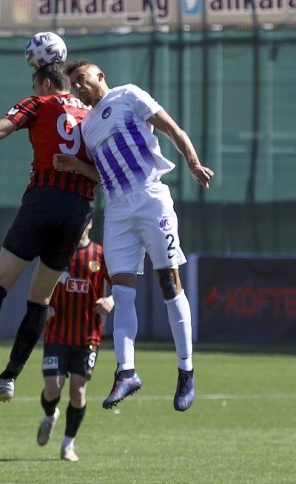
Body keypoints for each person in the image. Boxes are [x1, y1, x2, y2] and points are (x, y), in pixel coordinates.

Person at [0, 62, 99, 406]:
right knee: (40, 300)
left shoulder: (37, 103)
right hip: (78, 210)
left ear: (43, 82)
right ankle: (9, 378)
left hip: (43, 200)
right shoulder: (92, 114)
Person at [58, 60, 214, 412]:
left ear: (101, 76)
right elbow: (102, 172)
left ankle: (186, 370)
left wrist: (191, 161)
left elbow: (172, 129)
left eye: (82, 80)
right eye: (73, 85)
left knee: (169, 284)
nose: (79, 88)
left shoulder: (128, 95)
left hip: (150, 198)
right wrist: (74, 166)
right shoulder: (86, 126)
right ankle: (126, 372)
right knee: (121, 291)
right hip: (116, 210)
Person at [36, 217, 112, 462]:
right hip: (57, 332)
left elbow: (122, 286)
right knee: (52, 388)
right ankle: (50, 415)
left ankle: (68, 444)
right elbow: (39, 284)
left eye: (83, 221)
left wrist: (111, 301)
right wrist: (43, 306)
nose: (78, 226)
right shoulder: (57, 251)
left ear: (89, 223)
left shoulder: (100, 254)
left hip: (87, 335)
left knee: (78, 392)